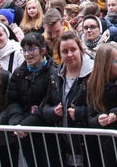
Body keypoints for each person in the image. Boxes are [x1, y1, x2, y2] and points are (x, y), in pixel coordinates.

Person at [38, 31, 94, 166]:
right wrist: (51, 112)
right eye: (64, 51)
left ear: (81, 49)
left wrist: (81, 113)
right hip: (64, 147)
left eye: (73, 49)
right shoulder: (55, 75)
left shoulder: (94, 74)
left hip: (89, 146)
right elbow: (44, 106)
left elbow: (102, 107)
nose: (69, 55)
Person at [5, 34, 57, 166]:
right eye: (24, 50)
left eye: (32, 49)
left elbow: (48, 102)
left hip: (46, 134)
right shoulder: (18, 73)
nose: (27, 54)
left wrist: (25, 125)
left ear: (42, 51)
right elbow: (12, 100)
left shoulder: (53, 73)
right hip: (24, 133)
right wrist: (17, 124)